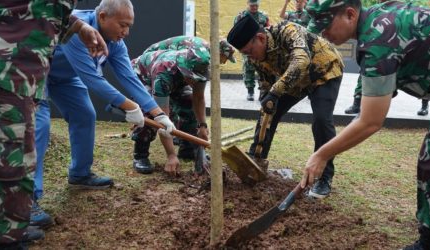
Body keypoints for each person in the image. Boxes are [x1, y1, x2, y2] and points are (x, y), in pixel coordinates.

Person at [304, 0, 430, 249]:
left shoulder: (377, 43)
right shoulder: (377, 19)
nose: (323, 35)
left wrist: (322, 154)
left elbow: (370, 121)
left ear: (350, 14)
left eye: (325, 27)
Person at [32, 0, 175, 229]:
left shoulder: (116, 42)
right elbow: (92, 80)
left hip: (65, 77)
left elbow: (129, 78)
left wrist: (158, 114)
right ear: (102, 18)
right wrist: (130, 107)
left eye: (129, 26)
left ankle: (80, 174)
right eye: (122, 25)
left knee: (85, 115)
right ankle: (27, 201)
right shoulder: (77, 26)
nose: (126, 32)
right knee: (38, 127)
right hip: (38, 71)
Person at [0, 0, 108, 248]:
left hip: (17, 77)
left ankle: (6, 229)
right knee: (10, 172)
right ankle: (4, 236)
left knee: (12, 166)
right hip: (0, 73)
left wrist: (77, 24)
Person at [228, 15, 344, 198]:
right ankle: (257, 159)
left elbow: (301, 61)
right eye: (245, 54)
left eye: (250, 51)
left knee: (322, 120)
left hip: (324, 70)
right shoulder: (254, 57)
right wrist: (267, 99)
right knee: (268, 110)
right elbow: (266, 84)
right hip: (296, 79)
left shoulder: (287, 30)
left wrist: (275, 92)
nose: (250, 57)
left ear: (260, 38)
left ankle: (324, 177)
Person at [130, 36, 236, 175]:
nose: (194, 82)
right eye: (192, 78)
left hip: (174, 76)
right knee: (152, 113)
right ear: (184, 70)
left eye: (198, 79)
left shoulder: (201, 65)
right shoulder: (163, 74)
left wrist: (202, 126)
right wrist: (171, 156)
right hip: (143, 75)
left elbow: (198, 98)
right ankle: (140, 154)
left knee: (189, 101)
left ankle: (187, 148)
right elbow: (162, 118)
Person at [234, 0, 271, 101]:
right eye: (252, 6)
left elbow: (268, 29)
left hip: (261, 47)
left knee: (263, 69)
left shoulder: (263, 16)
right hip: (248, 47)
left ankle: (263, 91)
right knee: (248, 68)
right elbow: (236, 32)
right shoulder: (241, 16)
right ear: (248, 5)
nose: (254, 7)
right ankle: (250, 91)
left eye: (256, 5)